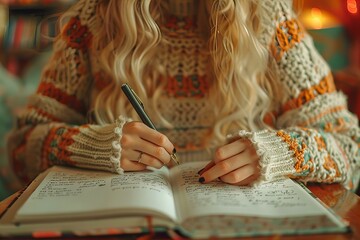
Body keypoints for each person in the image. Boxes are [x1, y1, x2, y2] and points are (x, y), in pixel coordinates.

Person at [7, 0, 359, 191]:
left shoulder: (269, 16)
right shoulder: (94, 17)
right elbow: (21, 149)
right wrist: (96, 145)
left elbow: (350, 147)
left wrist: (277, 153)